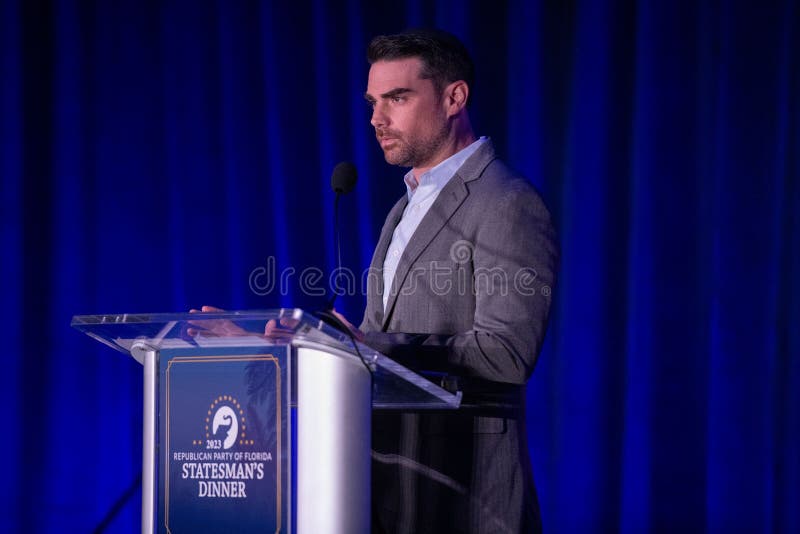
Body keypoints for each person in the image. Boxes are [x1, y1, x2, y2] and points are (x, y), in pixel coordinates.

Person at [331, 29, 559, 533]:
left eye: (397, 98)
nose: (376, 119)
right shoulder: (403, 207)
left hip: (468, 497)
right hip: (392, 492)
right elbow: (372, 344)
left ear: (454, 97)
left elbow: (507, 352)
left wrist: (372, 345)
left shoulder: (506, 201)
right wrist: (276, 344)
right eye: (373, 102)